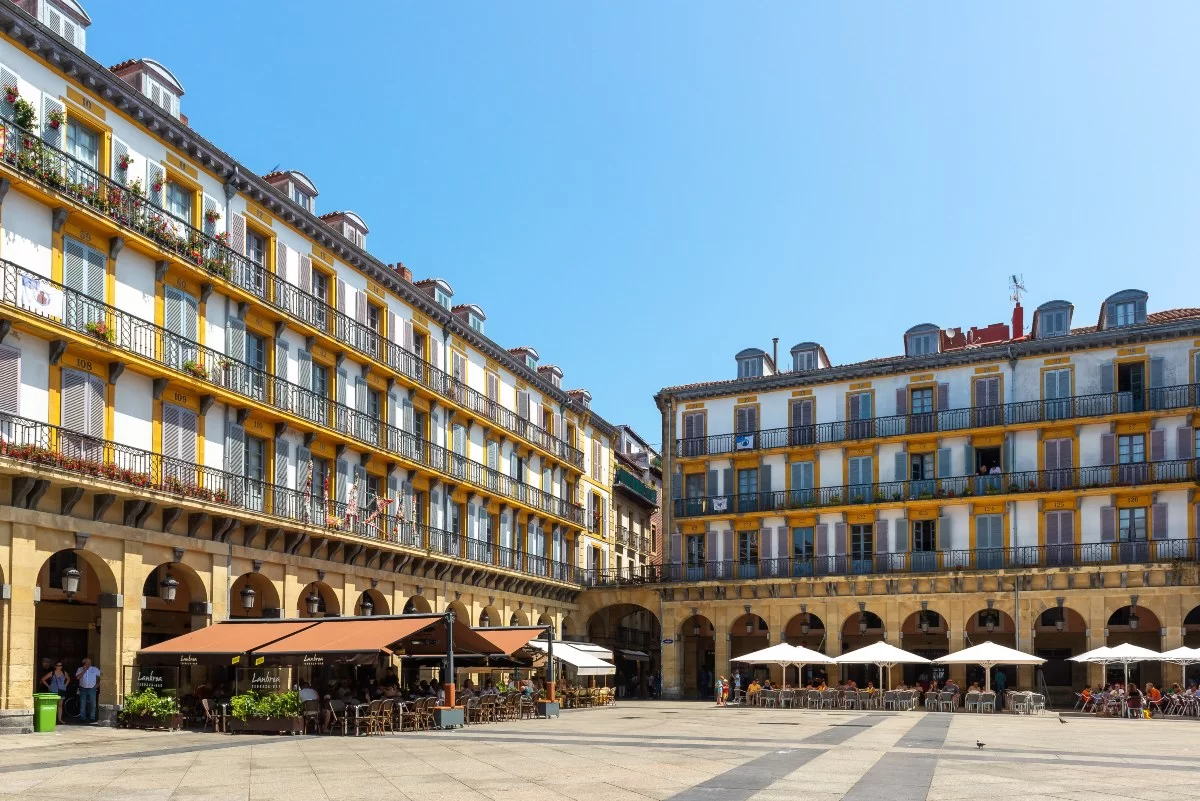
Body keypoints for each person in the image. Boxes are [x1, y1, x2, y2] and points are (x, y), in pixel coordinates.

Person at [75, 657, 100, 723]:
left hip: (92, 689)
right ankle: (83, 718)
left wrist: (97, 685)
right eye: (87, 663)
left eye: (89, 663)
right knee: (83, 704)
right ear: (84, 663)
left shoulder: (94, 669)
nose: (88, 664)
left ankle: (92, 718)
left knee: (93, 704)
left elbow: (102, 676)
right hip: (83, 689)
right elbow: (78, 677)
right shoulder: (80, 669)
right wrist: (84, 671)